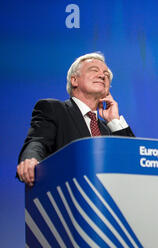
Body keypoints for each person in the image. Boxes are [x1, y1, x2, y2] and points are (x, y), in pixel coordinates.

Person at [17, 52, 135, 186]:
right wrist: (31, 159)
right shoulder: (55, 109)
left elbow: (134, 163)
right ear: (74, 80)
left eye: (106, 75)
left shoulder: (109, 129)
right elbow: (38, 141)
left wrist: (114, 120)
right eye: (94, 70)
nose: (102, 75)